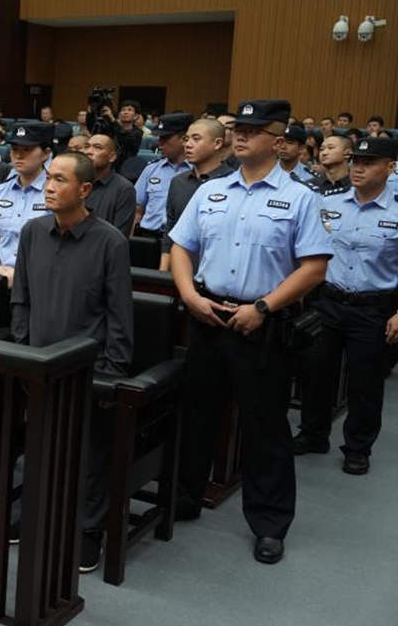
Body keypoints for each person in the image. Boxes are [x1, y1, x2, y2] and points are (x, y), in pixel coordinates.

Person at [169, 99, 332, 565]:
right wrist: (190, 296)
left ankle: (269, 522)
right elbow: (181, 247)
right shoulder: (212, 191)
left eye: (254, 130)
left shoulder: (302, 198)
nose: (241, 136)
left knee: (265, 428)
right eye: (239, 128)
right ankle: (185, 497)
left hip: (261, 325)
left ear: (278, 141)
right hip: (208, 316)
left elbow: (314, 267)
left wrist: (264, 306)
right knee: (197, 414)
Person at [11, 151, 133, 572]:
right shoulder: (31, 231)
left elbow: (119, 315)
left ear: (84, 190)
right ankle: (34, 512)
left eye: (60, 180)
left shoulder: (109, 241)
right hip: (38, 360)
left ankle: (87, 529)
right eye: (48, 178)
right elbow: (21, 297)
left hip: (89, 367)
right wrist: (23, 347)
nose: (48, 186)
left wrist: (111, 372)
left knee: (89, 452)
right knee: (38, 443)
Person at [294, 136, 398, 473]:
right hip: (328, 300)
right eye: (356, 161)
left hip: (373, 307)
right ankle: (313, 433)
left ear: (391, 167)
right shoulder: (328, 201)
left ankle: (358, 447)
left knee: (365, 383)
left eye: (369, 163)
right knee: (315, 371)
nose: (359, 168)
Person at [0, 121, 53, 286]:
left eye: (27, 150)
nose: (19, 155)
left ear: (46, 153)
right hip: (1, 278)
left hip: (40, 281)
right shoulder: (0, 191)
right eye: (15, 150)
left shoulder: (54, 191)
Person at [159, 118, 234, 271]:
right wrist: (162, 271)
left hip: (218, 273)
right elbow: (170, 230)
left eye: (196, 139)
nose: (187, 144)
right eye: (186, 139)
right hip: (179, 270)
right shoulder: (178, 182)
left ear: (217, 143)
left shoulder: (234, 183)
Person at [134, 113, 193, 237]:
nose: (159, 143)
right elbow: (138, 210)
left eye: (165, 138)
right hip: (148, 236)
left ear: (184, 138)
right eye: (159, 138)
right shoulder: (151, 169)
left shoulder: (197, 171)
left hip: (181, 239)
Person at [83, 134, 136, 236]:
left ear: (112, 157)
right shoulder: (76, 182)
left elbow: (119, 237)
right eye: (87, 147)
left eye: (97, 147)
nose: (88, 152)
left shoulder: (124, 188)